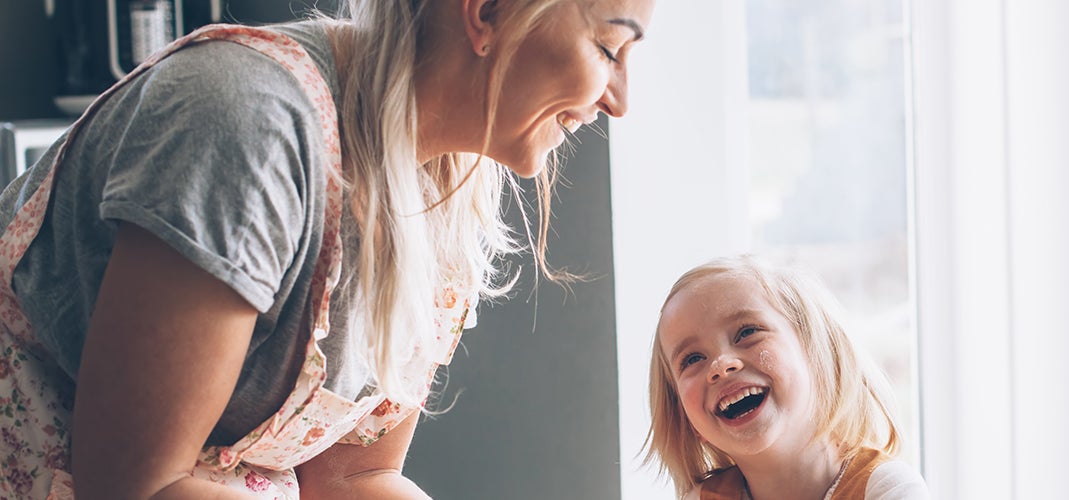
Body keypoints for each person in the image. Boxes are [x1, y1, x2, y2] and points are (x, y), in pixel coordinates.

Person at [0, 0, 654, 497]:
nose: (621, 101)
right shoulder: (245, 129)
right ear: (486, 13)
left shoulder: (452, 190)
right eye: (608, 48)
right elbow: (133, 488)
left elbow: (354, 477)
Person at [643, 255, 930, 500]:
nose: (721, 365)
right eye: (693, 359)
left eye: (747, 333)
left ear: (817, 355)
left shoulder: (886, 490)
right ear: (686, 418)